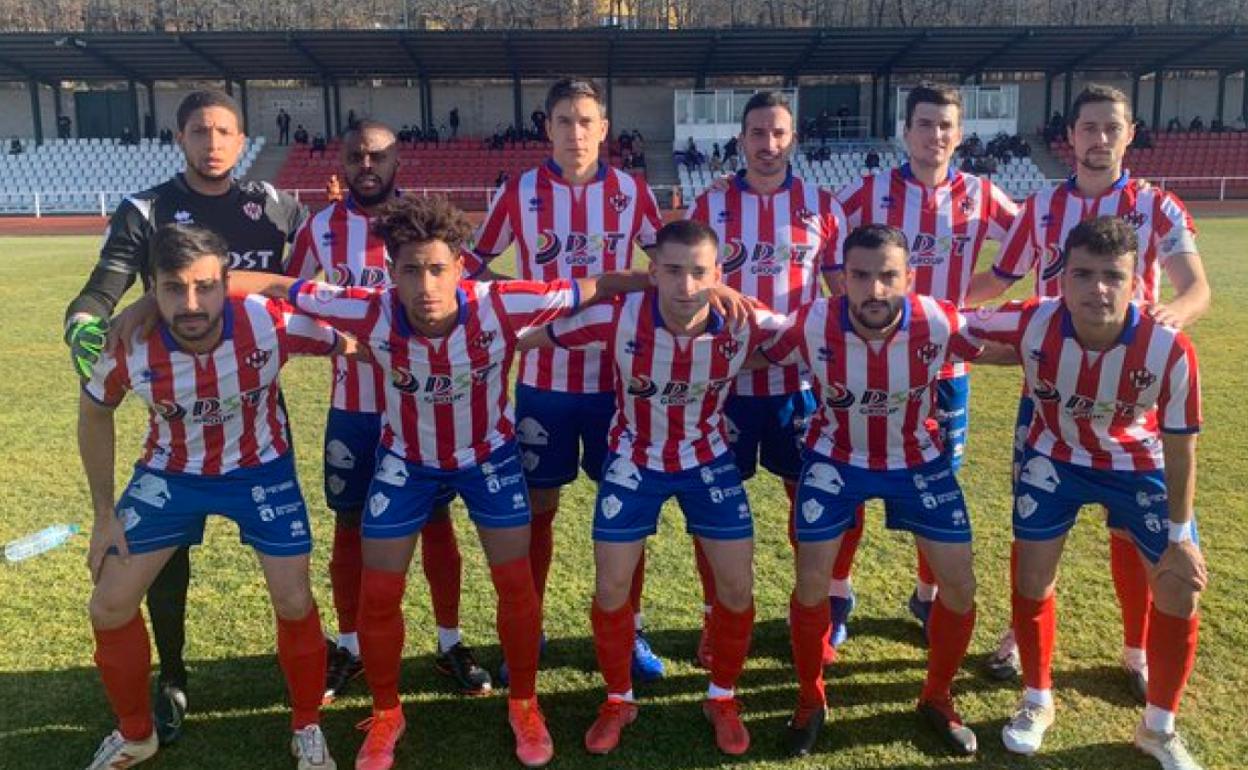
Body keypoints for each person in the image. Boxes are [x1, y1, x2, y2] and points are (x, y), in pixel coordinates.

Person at [233, 193, 669, 770]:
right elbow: (273, 286)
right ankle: (386, 713)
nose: (426, 285)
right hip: (406, 461)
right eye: (411, 270)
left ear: (461, 267)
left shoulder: (502, 304)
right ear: (391, 272)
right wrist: (165, 299)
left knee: (515, 584)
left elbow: (598, 287)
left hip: (488, 459)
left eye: (438, 268)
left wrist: (691, 285)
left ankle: (524, 703)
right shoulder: (367, 308)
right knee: (380, 593)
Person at [63, 89, 308, 746]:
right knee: (163, 558)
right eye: (200, 131)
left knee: (287, 573)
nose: (213, 142)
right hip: (175, 412)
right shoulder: (146, 209)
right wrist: (92, 323)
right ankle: (172, 674)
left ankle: (309, 692)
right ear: (180, 137)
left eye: (225, 130)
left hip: (253, 402)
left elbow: (308, 285)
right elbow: (103, 285)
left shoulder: (279, 208)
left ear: (242, 136)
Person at [969, 84, 1210, 688]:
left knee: (1131, 530)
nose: (1100, 139)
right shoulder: (1041, 207)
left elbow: (1195, 288)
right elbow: (1001, 279)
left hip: (1131, 397)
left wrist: (1169, 318)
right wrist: (926, 309)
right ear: (1069, 136)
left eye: (1112, 128)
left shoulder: (1158, 206)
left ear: (1129, 135)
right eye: (1089, 128)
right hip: (1049, 396)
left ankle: (1137, 649)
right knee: (1033, 525)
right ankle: (1018, 636)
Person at [78, 223, 343, 770]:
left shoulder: (269, 324)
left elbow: (359, 338)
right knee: (108, 605)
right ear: (151, 288)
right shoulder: (128, 343)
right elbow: (94, 413)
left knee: (294, 600)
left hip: (260, 469)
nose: (192, 303)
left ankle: (307, 725)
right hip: (169, 475)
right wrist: (104, 515)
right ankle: (135, 734)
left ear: (228, 284)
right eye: (174, 288)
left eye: (206, 286)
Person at [969, 217, 1207, 770]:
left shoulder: (1168, 348)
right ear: (1062, 279)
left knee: (1179, 588)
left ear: (1135, 283)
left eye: (1112, 276)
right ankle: (1036, 699)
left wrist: (1180, 537)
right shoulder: (1032, 322)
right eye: (1083, 274)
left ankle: (1158, 726)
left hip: (1137, 463)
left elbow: (1181, 447)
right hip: (1055, 458)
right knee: (1032, 575)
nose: (1097, 288)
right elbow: (946, 327)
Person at [520, 220, 764, 757]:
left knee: (737, 588)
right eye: (672, 270)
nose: (685, 285)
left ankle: (722, 697)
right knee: (611, 588)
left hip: (707, 459)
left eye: (699, 272)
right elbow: (530, 334)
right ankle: (617, 699)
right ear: (651, 272)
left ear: (718, 275)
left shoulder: (745, 321)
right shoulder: (617, 316)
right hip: (632, 458)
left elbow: (819, 336)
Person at [465, 77, 668, 684]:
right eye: (563, 121)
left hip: (618, 383)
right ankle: (530, 627)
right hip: (544, 383)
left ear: (604, 129)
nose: (575, 133)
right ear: (546, 128)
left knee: (625, 511)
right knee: (537, 509)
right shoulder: (519, 192)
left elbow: (663, 270)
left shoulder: (633, 192)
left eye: (587, 121)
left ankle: (627, 627)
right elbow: (473, 267)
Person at [756, 223, 986, 758]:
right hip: (834, 459)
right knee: (811, 584)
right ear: (844, 278)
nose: (874, 290)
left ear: (909, 278)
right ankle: (811, 700)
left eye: (888, 277)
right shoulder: (814, 320)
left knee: (960, 585)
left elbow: (1004, 344)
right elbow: (754, 351)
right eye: (860, 276)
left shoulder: (936, 319)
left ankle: (937, 697)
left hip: (916, 458)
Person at [286, 120, 490, 702]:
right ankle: (348, 645)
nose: (366, 165)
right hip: (353, 406)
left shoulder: (424, 230)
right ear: (343, 162)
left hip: (425, 407)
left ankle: (450, 642)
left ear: (397, 159)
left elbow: (475, 293)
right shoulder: (322, 227)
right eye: (355, 156)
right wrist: (332, 340)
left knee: (434, 519)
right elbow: (290, 301)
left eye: (377, 155)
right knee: (350, 522)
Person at [830, 83, 1019, 649]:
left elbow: (1028, 245)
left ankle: (927, 595)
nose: (935, 135)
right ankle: (838, 592)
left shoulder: (982, 194)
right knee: (849, 483)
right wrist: (857, 311)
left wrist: (963, 304)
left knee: (937, 486)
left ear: (958, 135)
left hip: (946, 373)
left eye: (945, 126)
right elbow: (823, 246)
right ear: (904, 131)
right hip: (868, 368)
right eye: (925, 124)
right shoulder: (867, 192)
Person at [687, 90, 847, 668]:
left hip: (798, 388)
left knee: (810, 508)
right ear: (742, 140)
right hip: (725, 390)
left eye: (779, 133)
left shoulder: (822, 205)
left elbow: (839, 296)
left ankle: (812, 620)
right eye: (758, 133)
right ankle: (715, 620)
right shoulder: (709, 204)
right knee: (713, 512)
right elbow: (686, 285)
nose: (768, 144)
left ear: (793, 139)